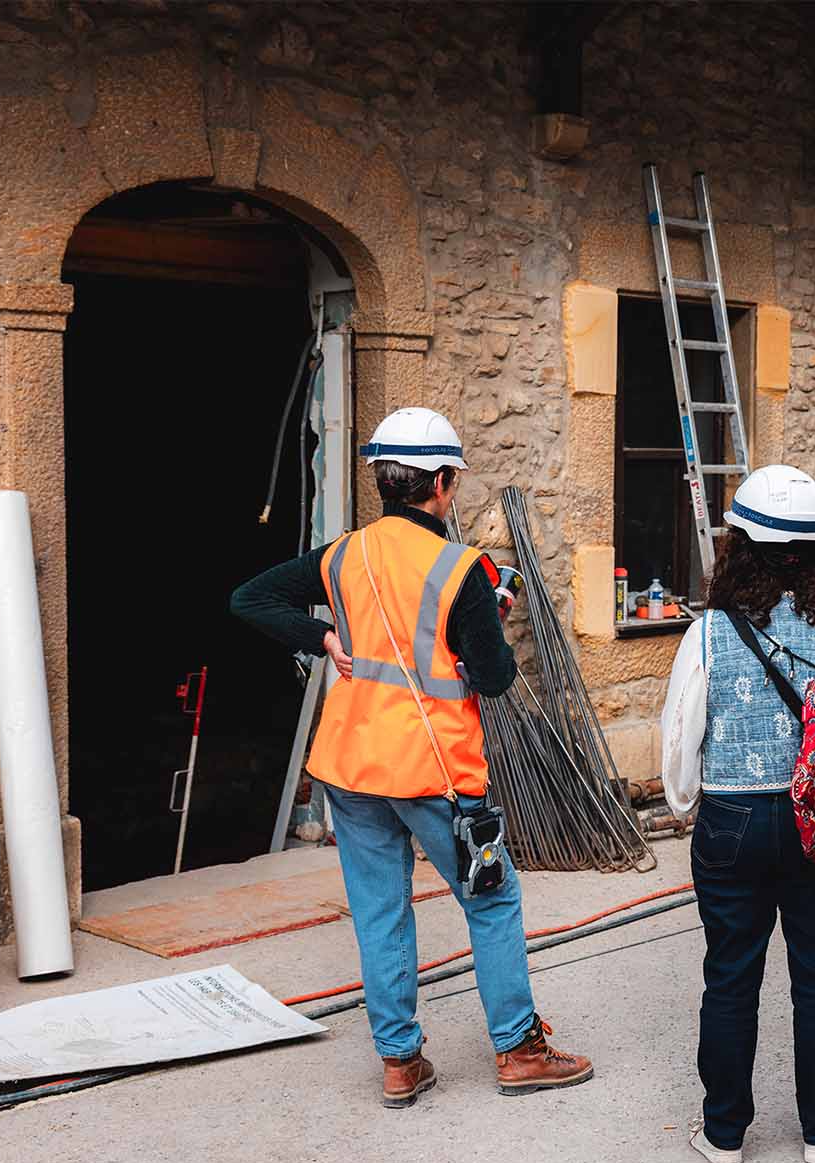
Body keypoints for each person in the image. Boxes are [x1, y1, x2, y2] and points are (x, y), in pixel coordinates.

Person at [231, 407, 592, 1108]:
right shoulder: (460, 570)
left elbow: (251, 598)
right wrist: (492, 613)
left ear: (383, 481)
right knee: (492, 901)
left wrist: (321, 638)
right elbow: (494, 679)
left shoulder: (343, 555)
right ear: (443, 482)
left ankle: (400, 1062)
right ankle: (519, 1050)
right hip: (434, 769)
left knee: (380, 910)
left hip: (350, 764)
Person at [661, 464, 815, 1163]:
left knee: (731, 975)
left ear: (739, 548)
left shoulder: (707, 634)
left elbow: (681, 735)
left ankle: (724, 1132)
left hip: (733, 818)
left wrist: (686, 803)